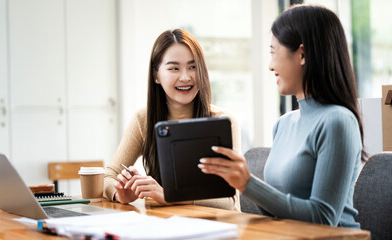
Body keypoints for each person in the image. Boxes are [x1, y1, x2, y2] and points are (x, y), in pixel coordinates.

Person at [198, 4, 365, 228]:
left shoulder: (338, 121)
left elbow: (323, 219)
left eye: (273, 52)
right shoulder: (283, 124)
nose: (270, 66)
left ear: (302, 54)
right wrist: (241, 183)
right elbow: (278, 211)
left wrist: (248, 184)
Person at [104, 29, 242, 211]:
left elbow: (230, 201)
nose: (185, 77)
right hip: (164, 225)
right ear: (156, 75)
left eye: (193, 67)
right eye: (174, 68)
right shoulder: (143, 119)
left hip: (216, 227)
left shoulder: (223, 121)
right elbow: (109, 176)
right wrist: (120, 193)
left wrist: (171, 196)